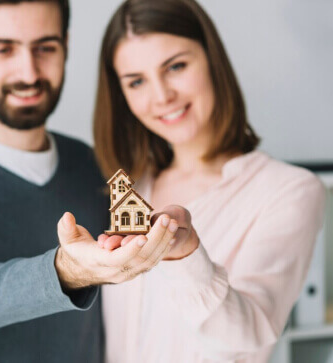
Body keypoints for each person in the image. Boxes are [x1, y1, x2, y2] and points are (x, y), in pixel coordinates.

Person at [0, 0, 186, 361]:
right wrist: (67, 271)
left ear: (66, 46)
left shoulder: (100, 168)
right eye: (3, 49)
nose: (28, 73)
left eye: (45, 48)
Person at [92, 0, 326, 362]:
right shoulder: (127, 190)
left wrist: (186, 256)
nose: (161, 96)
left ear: (212, 59)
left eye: (176, 66)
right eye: (136, 81)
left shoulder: (291, 191)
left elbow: (249, 334)